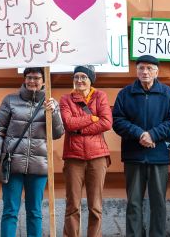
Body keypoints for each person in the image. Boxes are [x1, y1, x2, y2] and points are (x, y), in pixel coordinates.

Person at [0, 67, 64, 237]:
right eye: (29, 77)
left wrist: (54, 113)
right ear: (24, 79)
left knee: (35, 212)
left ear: (43, 81)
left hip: (39, 166)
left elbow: (57, 133)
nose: (32, 81)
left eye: (36, 78)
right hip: (12, 165)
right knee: (10, 211)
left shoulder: (51, 103)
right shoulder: (10, 100)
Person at [112, 55, 170, 237]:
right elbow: (118, 121)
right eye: (141, 68)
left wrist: (152, 135)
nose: (145, 72)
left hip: (158, 156)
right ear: (136, 70)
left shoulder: (168, 94)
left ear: (157, 72)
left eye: (150, 68)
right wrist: (139, 134)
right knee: (133, 202)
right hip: (133, 156)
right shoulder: (125, 94)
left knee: (158, 202)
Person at [59, 65, 112, 237]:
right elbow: (68, 123)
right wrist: (91, 118)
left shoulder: (100, 96)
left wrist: (80, 130)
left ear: (91, 80)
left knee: (95, 206)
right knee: (72, 205)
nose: (79, 80)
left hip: (97, 156)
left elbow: (106, 122)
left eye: (83, 77)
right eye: (76, 77)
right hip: (73, 157)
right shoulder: (66, 99)